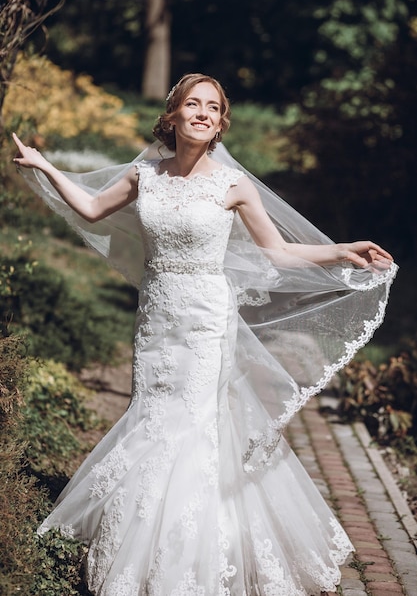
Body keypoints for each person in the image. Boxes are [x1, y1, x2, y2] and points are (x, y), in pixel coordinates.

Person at [13, 73, 397, 596]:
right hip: (156, 319)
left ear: (220, 124)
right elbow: (92, 208)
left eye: (212, 108)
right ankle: (140, 535)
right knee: (150, 416)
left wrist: (340, 250)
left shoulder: (232, 185)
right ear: (170, 117)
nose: (201, 113)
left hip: (205, 319)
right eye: (191, 104)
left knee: (193, 426)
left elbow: (277, 252)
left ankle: (188, 553)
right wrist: (45, 167)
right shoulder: (143, 175)